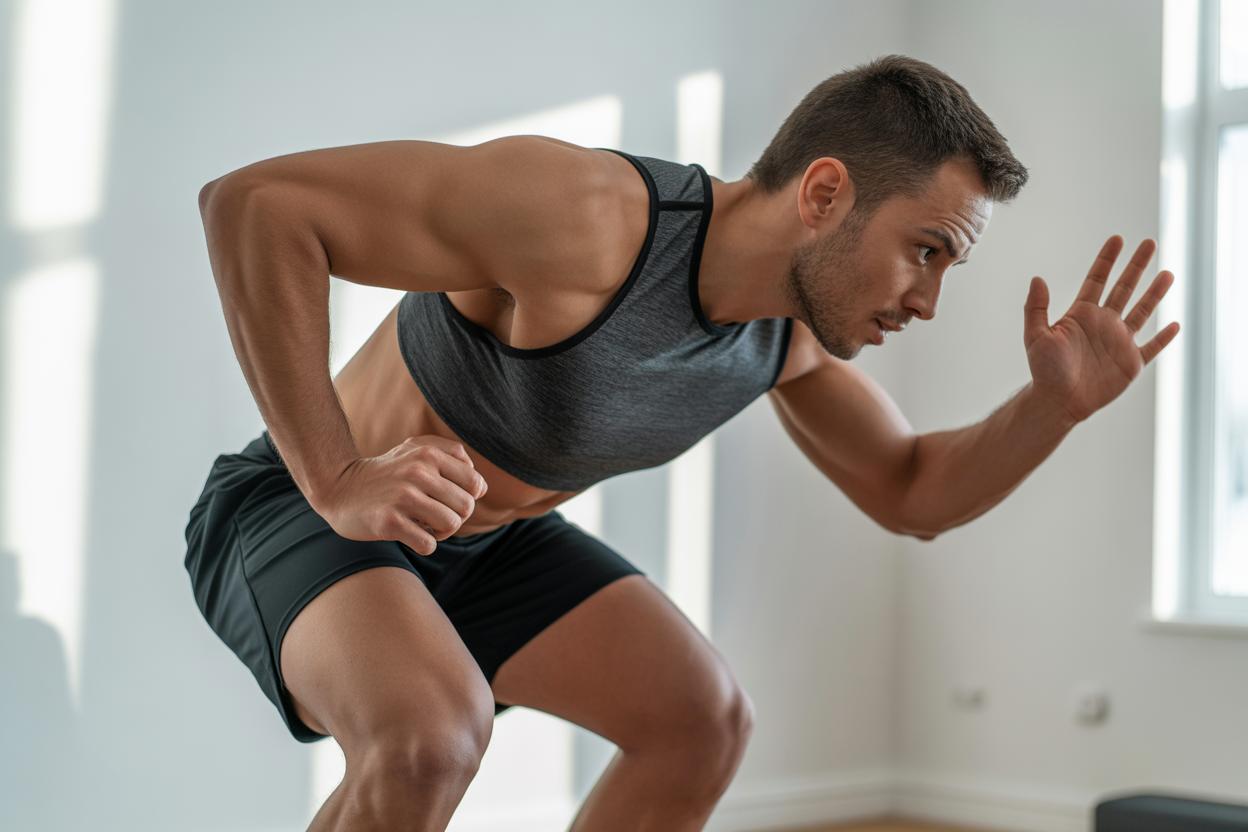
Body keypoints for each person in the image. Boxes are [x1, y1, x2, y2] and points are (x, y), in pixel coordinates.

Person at [183, 53, 1179, 831]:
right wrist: (339, 474)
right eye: (926, 251)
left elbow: (911, 490)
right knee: (430, 736)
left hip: (481, 545)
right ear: (824, 194)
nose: (926, 298)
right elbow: (259, 209)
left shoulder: (785, 340)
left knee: (700, 721)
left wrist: (1048, 409)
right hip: (296, 509)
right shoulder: (587, 220)